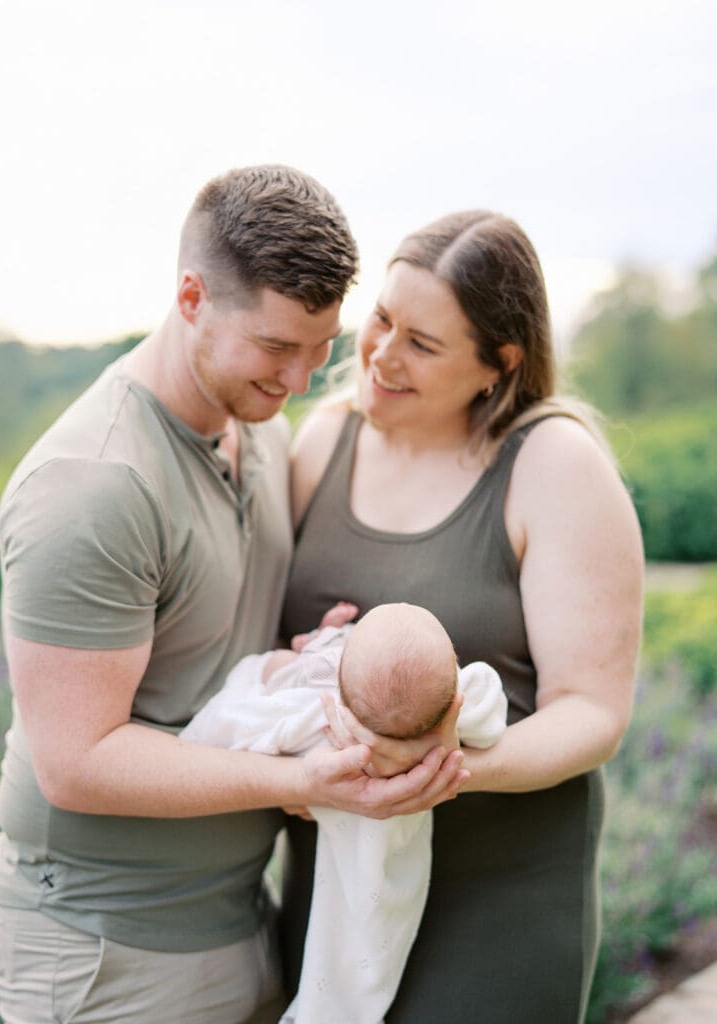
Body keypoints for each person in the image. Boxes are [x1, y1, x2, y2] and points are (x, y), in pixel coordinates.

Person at [0, 166, 468, 1024]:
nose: (303, 379)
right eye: (277, 347)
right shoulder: (92, 485)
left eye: (320, 348)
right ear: (192, 297)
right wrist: (307, 775)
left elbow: (209, 661)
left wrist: (305, 665)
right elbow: (76, 761)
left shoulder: (261, 432)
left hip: (240, 917)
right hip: (107, 950)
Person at [280, 210, 645, 1023]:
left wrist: (445, 767)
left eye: (422, 343)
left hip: (496, 902)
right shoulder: (321, 443)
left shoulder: (554, 466)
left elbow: (591, 711)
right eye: (381, 319)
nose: (379, 354)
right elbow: (271, 649)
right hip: (336, 890)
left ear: (496, 364)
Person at [180, 601, 508, 1024]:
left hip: (309, 842)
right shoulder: (459, 700)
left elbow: (266, 681)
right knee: (366, 925)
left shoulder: (321, 682)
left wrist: (322, 644)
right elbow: (488, 714)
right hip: (412, 850)